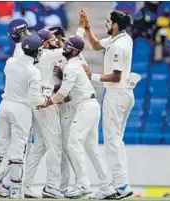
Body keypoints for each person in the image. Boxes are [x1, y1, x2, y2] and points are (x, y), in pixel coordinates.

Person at [39, 35, 117, 199]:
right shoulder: (75, 63)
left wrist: (48, 103)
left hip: (85, 107)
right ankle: (106, 186)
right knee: (92, 149)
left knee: (73, 144)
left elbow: (63, 92)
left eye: (66, 45)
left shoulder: (72, 67)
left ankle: (83, 184)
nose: (63, 48)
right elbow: (65, 87)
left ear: (73, 50)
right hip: (91, 106)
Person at [80, 8, 139, 199]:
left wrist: (91, 76)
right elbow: (97, 46)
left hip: (117, 94)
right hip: (123, 94)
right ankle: (120, 183)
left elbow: (115, 76)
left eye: (107, 21)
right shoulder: (122, 38)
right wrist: (88, 28)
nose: (106, 23)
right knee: (116, 141)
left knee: (112, 141)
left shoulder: (118, 46)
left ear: (114, 25)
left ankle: (120, 185)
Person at [0, 34, 46, 199]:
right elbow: (35, 100)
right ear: (36, 52)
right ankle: (15, 191)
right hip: (21, 109)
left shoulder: (10, 63)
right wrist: (46, 100)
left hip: (5, 105)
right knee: (18, 149)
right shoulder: (34, 71)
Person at [23, 29, 66, 199]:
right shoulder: (48, 55)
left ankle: (24, 184)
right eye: (52, 39)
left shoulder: (34, 57)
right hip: (46, 103)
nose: (56, 40)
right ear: (45, 43)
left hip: (37, 102)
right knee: (55, 146)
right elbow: (72, 48)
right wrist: (79, 29)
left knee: (39, 147)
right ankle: (51, 186)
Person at [0, 18, 31, 198]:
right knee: (18, 149)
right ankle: (7, 186)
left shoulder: (15, 55)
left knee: (3, 147)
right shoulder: (26, 54)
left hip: (7, 103)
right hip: (22, 105)